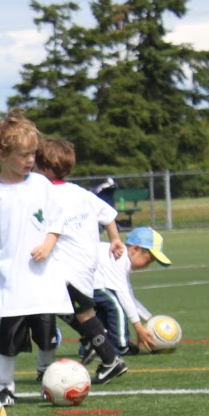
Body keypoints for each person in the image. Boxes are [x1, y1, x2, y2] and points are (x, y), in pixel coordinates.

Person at [0, 109, 60, 404]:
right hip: (12, 279)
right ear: (1, 154)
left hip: (42, 278)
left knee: (46, 332)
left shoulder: (41, 185)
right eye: (24, 155)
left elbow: (57, 222)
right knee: (9, 334)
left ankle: (47, 376)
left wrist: (48, 244)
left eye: (33, 154)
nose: (31, 160)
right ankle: (5, 386)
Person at [29, 136, 128, 386]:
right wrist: (115, 239)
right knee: (68, 311)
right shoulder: (79, 192)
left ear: (45, 168)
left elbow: (48, 225)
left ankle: (110, 359)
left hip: (67, 266)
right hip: (85, 263)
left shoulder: (47, 194)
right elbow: (108, 215)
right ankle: (93, 344)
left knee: (71, 313)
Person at [85, 225, 170, 358]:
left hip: (90, 284)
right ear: (135, 249)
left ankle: (93, 346)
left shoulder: (123, 262)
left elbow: (130, 298)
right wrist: (139, 328)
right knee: (116, 306)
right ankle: (121, 346)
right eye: (148, 260)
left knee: (104, 311)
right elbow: (123, 296)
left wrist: (150, 319)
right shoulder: (119, 257)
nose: (147, 265)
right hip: (87, 283)